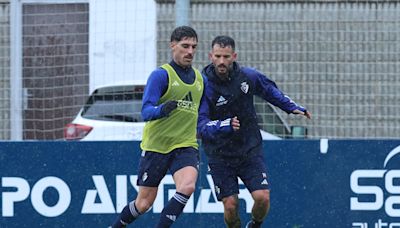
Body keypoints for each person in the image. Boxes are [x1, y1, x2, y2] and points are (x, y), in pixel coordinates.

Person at [197, 35, 311, 228]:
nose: (222, 61)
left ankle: (255, 225)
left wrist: (291, 107)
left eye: (226, 56)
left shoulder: (248, 77)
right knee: (231, 205)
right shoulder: (203, 84)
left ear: (234, 56)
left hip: (249, 149)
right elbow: (201, 126)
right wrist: (224, 125)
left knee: (262, 197)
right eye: (218, 56)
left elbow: (270, 91)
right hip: (220, 154)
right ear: (210, 56)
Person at [112, 26, 206, 228]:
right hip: (157, 146)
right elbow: (145, 112)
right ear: (173, 45)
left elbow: (205, 112)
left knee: (187, 186)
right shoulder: (161, 75)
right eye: (185, 46)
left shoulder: (200, 79)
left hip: (185, 145)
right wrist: (162, 109)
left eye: (194, 47)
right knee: (143, 203)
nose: (190, 51)